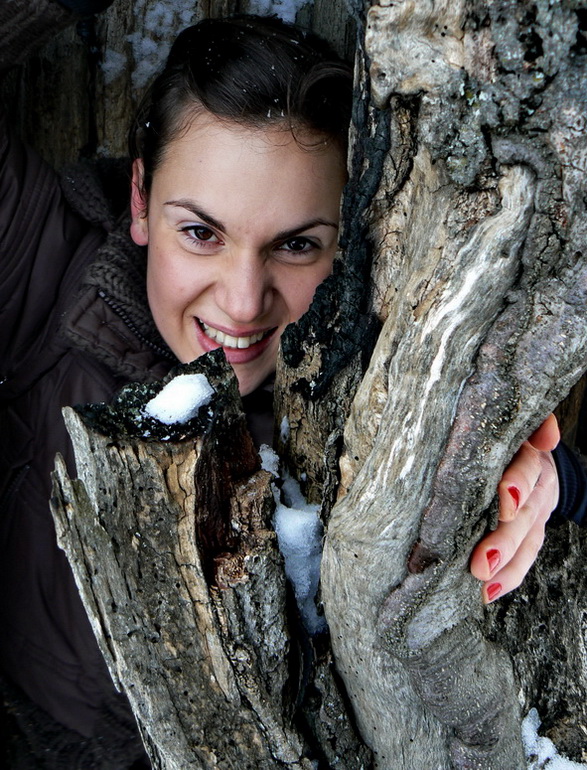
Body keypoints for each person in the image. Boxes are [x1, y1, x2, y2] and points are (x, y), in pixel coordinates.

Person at [0, 0, 585, 767]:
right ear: (140, 198)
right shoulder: (42, 268)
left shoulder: (390, 362)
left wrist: (550, 484)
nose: (243, 302)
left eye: (297, 245)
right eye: (200, 233)